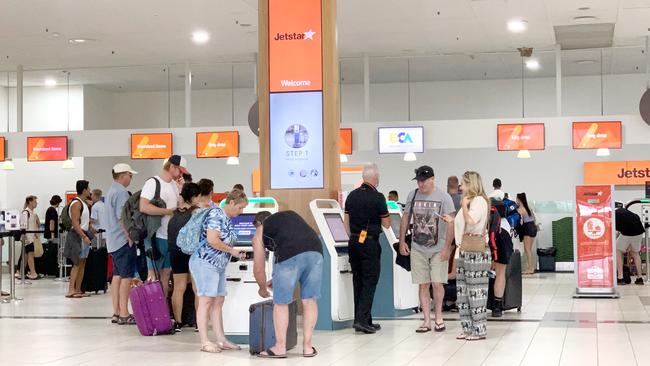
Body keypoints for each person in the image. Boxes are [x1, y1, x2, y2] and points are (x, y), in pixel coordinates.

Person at [252, 210, 323, 358]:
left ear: (259, 223)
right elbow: (298, 247)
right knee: (309, 300)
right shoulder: (290, 215)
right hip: (316, 250)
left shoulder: (260, 230)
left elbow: (259, 268)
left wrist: (262, 288)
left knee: (281, 302)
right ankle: (308, 347)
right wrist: (276, 279)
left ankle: (280, 347)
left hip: (289, 253)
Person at [190, 189, 248, 353]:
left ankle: (221, 340)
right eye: (240, 208)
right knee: (206, 301)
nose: (241, 212)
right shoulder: (216, 215)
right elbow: (212, 239)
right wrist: (232, 251)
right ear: (231, 202)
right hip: (205, 263)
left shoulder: (227, 218)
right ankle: (204, 342)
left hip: (219, 265)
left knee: (218, 301)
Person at [399, 165, 455, 334]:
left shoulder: (444, 198)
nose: (421, 184)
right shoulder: (412, 195)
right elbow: (406, 218)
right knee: (423, 285)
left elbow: (451, 224)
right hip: (418, 247)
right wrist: (402, 241)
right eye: (418, 181)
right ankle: (426, 320)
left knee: (437, 283)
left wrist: (447, 248)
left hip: (439, 247)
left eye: (424, 181)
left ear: (432, 179)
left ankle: (438, 317)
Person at [343, 164, 391, 334]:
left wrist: (353, 236)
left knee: (358, 280)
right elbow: (386, 223)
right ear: (375, 178)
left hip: (354, 242)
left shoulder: (351, 196)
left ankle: (363, 319)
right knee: (370, 281)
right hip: (369, 243)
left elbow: (346, 222)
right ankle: (362, 321)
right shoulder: (378, 197)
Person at [139, 155, 188, 296]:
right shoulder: (153, 183)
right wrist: (167, 212)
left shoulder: (174, 185)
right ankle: (150, 312)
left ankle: (162, 312)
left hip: (170, 237)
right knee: (152, 275)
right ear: (172, 167)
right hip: (155, 236)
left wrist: (180, 189)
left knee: (166, 274)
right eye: (180, 170)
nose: (181, 174)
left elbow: (179, 207)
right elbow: (143, 207)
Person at [454, 171, 491, 340]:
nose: (460, 186)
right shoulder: (471, 201)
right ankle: (468, 327)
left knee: (476, 292)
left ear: (471, 184)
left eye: (463, 183)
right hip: (465, 250)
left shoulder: (478, 201)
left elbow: (471, 221)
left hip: (476, 252)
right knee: (463, 292)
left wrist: (463, 205)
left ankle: (479, 330)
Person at [106, 164, 138, 324]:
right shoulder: (121, 192)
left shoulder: (111, 190)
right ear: (123, 175)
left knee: (117, 276)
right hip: (122, 241)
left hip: (112, 241)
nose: (131, 179)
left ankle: (116, 312)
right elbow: (122, 217)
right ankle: (125, 313)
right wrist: (130, 236)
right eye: (130, 175)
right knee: (126, 276)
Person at [168, 182, 202, 332]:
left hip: (175, 252)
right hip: (193, 253)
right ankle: (198, 322)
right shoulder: (197, 213)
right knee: (197, 288)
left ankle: (178, 322)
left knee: (178, 288)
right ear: (194, 197)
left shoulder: (174, 213)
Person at [64, 180, 93, 298]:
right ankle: (71, 290)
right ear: (84, 189)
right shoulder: (76, 203)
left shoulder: (83, 203)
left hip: (82, 234)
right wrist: (84, 236)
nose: (90, 190)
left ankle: (78, 289)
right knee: (76, 263)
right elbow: (75, 223)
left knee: (82, 263)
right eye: (88, 188)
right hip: (77, 236)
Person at [489, 199, 513, 317]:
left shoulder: (489, 220)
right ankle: (497, 306)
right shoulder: (505, 223)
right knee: (500, 273)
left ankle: (480, 303)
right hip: (503, 238)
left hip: (485, 236)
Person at [443, 176, 462, 312]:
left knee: (445, 268)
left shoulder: (444, 198)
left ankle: (444, 299)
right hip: (459, 240)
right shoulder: (462, 200)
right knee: (455, 270)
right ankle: (454, 300)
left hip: (446, 240)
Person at [615, 207, 646, 285]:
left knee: (618, 251)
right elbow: (636, 217)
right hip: (639, 231)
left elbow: (613, 232)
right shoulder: (622, 210)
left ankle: (620, 278)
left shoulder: (612, 216)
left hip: (628, 232)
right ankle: (639, 278)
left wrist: (625, 246)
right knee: (635, 253)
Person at [18, 195, 40, 280]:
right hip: (27, 238)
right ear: (30, 202)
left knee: (26, 256)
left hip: (31, 237)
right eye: (35, 201)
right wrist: (26, 237)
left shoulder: (32, 213)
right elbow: (23, 226)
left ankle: (21, 272)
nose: (36, 203)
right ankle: (33, 273)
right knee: (30, 255)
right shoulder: (25, 212)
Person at [516, 193, 537, 275]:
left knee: (527, 249)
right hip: (533, 228)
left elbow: (520, 222)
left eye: (517, 199)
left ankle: (530, 268)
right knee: (529, 249)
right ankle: (529, 267)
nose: (516, 201)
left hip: (527, 228)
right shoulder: (529, 208)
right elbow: (534, 219)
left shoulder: (520, 209)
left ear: (519, 200)